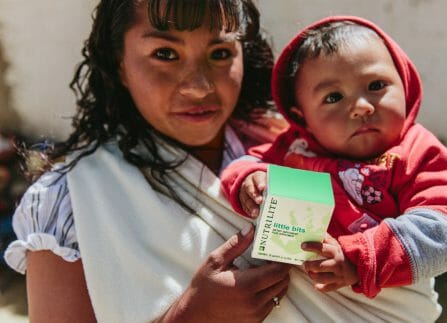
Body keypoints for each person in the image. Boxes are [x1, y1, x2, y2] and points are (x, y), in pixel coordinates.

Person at [4, 0, 293, 322]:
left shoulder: (290, 150)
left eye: (220, 53)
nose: (199, 87)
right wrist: (191, 315)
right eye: (165, 54)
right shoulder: (72, 197)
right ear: (119, 65)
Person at [221, 15, 447, 310]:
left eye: (377, 85)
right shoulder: (295, 147)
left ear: (404, 84)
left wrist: (358, 257)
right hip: (301, 298)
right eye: (334, 97)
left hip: (382, 299)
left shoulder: (419, 153)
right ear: (303, 117)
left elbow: (446, 232)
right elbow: (245, 163)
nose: (361, 107)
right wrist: (250, 178)